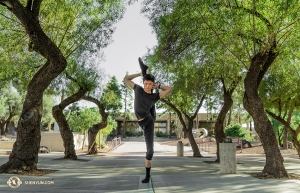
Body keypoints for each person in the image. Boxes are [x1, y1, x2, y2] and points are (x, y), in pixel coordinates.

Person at [123, 58, 172, 183]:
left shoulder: (155, 95)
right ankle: (144, 71)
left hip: (149, 122)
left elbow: (169, 89)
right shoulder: (138, 89)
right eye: (146, 83)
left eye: (151, 84)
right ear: (143, 83)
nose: (148, 86)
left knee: (150, 150)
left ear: (152, 84)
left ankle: (147, 175)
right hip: (141, 120)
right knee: (151, 106)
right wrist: (140, 74)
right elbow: (126, 79)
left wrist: (158, 86)